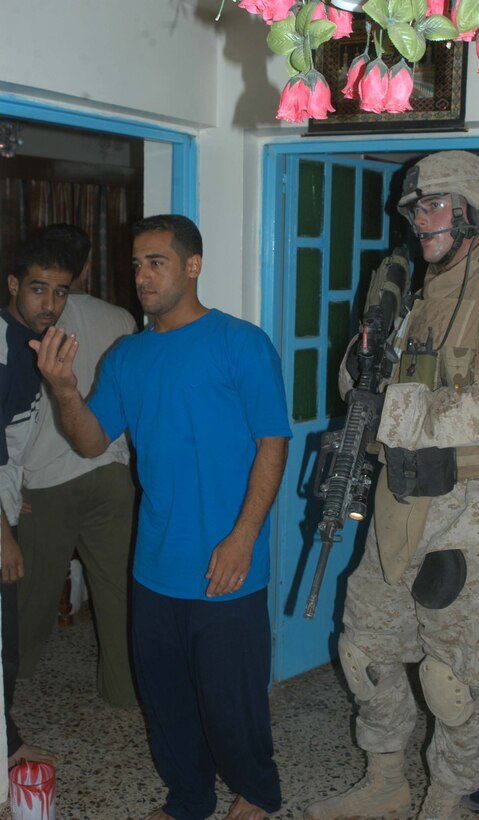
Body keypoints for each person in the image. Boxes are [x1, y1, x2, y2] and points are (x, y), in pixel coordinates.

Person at [305, 151, 479, 820]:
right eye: (415, 209)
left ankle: (447, 795)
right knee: (366, 651)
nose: (418, 220)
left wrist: (409, 413)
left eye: (433, 206)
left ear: (472, 210)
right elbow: (365, 390)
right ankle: (386, 781)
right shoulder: (417, 292)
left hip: (473, 514)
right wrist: (363, 362)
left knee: (453, 677)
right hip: (400, 501)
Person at [30, 214, 291, 820]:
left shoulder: (241, 343)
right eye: (136, 265)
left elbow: (273, 443)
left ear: (193, 266)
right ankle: (189, 797)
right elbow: (91, 442)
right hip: (153, 564)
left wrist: (243, 537)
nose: (142, 276)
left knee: (231, 698)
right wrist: (64, 389)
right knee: (166, 698)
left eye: (156, 263)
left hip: (227, 562)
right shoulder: (128, 355)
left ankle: (257, 791)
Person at [17, 224, 137, 708]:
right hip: (112, 474)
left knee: (30, 597)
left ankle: (13, 686)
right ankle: (124, 691)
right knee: (118, 594)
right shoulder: (121, 317)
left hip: (44, 483)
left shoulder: (30, 321)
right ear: (89, 265)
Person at [0, 234, 77, 768]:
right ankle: (7, 747)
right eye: (37, 289)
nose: (49, 303)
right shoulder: (6, 348)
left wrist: (13, 491)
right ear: (13, 285)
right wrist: (2, 534)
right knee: (4, 642)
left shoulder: (30, 344)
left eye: (60, 291)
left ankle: (5, 740)